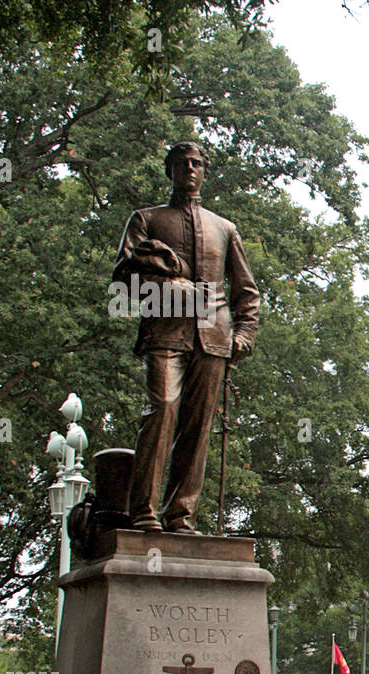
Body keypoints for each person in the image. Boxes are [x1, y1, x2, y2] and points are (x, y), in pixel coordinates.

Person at [112, 141, 259, 533]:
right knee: (162, 408)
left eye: (195, 163)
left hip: (213, 337)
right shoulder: (146, 219)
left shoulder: (224, 228)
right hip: (165, 332)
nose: (189, 169)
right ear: (170, 171)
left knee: (198, 429)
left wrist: (244, 334)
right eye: (181, 164)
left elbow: (246, 289)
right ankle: (143, 510)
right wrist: (170, 287)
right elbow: (123, 280)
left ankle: (180, 514)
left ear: (204, 171)